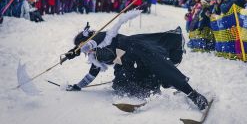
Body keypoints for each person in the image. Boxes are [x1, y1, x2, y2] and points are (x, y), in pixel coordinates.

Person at [64, 10, 209, 110]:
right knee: (120, 83)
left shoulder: (100, 37)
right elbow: (92, 73)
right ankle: (151, 86)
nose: (85, 50)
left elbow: (93, 42)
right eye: (81, 48)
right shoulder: (94, 54)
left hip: (134, 46)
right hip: (125, 58)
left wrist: (74, 52)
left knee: (159, 66)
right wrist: (78, 86)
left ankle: (193, 94)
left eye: (83, 45)